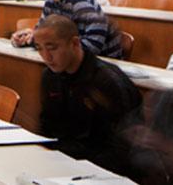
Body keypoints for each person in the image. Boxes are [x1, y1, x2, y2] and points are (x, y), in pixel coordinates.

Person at [33, 15, 142, 177]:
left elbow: (122, 148)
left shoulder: (106, 81)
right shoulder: (50, 76)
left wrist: (77, 170)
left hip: (106, 170)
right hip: (66, 162)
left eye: (52, 48)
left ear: (75, 43)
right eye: (39, 48)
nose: (46, 57)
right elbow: (48, 127)